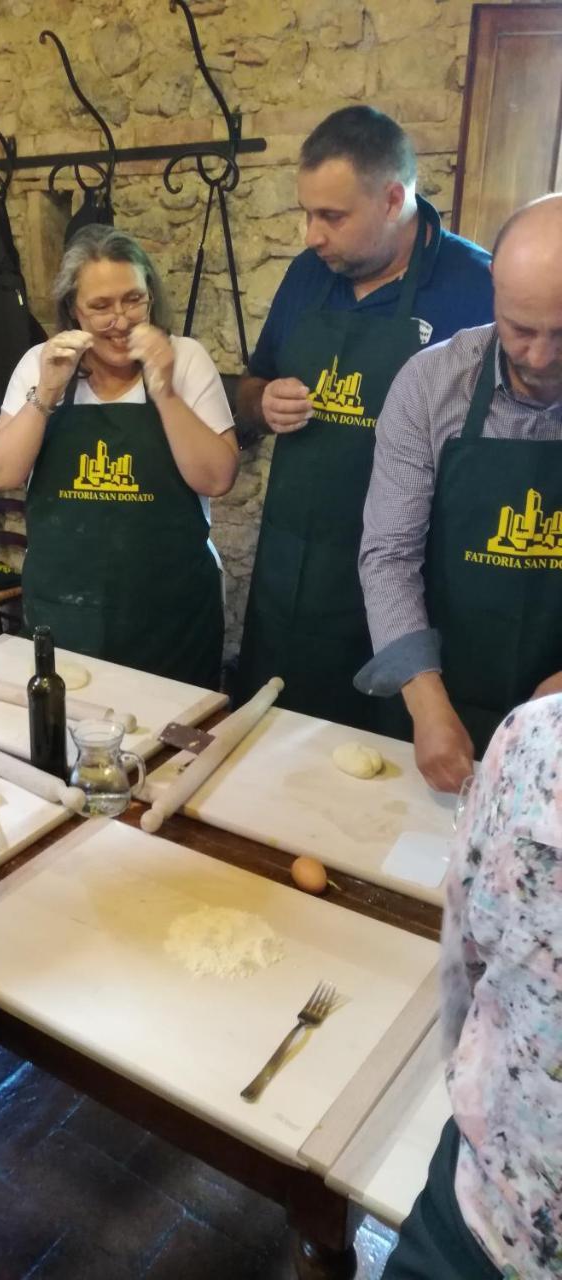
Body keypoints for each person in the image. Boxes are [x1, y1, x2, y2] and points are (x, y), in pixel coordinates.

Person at [233, 106, 493, 727]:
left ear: (393, 199)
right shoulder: (307, 276)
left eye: (331, 216)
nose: (310, 235)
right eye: (307, 213)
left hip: (412, 580)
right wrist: (262, 403)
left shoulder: (475, 286)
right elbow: (247, 385)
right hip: (294, 574)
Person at [357, 194, 562, 791]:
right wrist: (426, 704)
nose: (541, 357)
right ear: (494, 288)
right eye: (522, 329)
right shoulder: (430, 385)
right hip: (443, 692)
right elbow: (389, 556)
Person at [0, 225, 239, 691]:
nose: (120, 321)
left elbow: (218, 477)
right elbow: (1, 472)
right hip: (65, 614)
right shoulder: (41, 363)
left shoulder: (185, 359)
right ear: (73, 311)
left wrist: (163, 390)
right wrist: (47, 392)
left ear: (151, 297)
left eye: (133, 300)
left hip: (171, 618)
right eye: (100, 307)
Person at [382, 695, 562, 1279]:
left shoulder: (534, 735)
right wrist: (426, 698)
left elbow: (467, 957)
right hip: (480, 1213)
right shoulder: (534, 736)